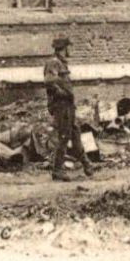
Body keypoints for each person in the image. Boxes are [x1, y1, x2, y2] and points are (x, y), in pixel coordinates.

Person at [43, 37, 94, 180]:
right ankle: (57, 170)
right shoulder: (53, 62)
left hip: (68, 106)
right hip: (61, 106)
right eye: (68, 48)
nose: (70, 51)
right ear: (64, 48)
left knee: (75, 133)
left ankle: (87, 164)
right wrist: (64, 94)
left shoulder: (61, 63)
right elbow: (49, 83)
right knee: (64, 137)